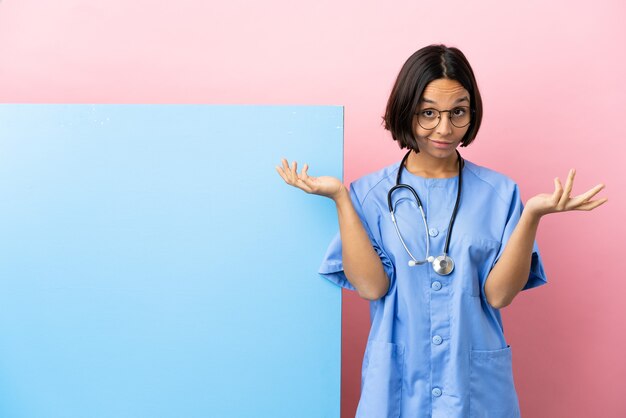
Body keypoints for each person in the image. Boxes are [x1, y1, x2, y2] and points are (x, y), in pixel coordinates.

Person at [275, 44, 607, 417]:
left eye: (458, 113)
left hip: (474, 388)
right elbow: (372, 288)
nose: (445, 129)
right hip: (397, 385)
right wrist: (339, 197)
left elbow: (498, 296)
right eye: (428, 113)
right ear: (406, 110)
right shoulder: (367, 195)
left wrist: (531, 215)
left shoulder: (500, 194)